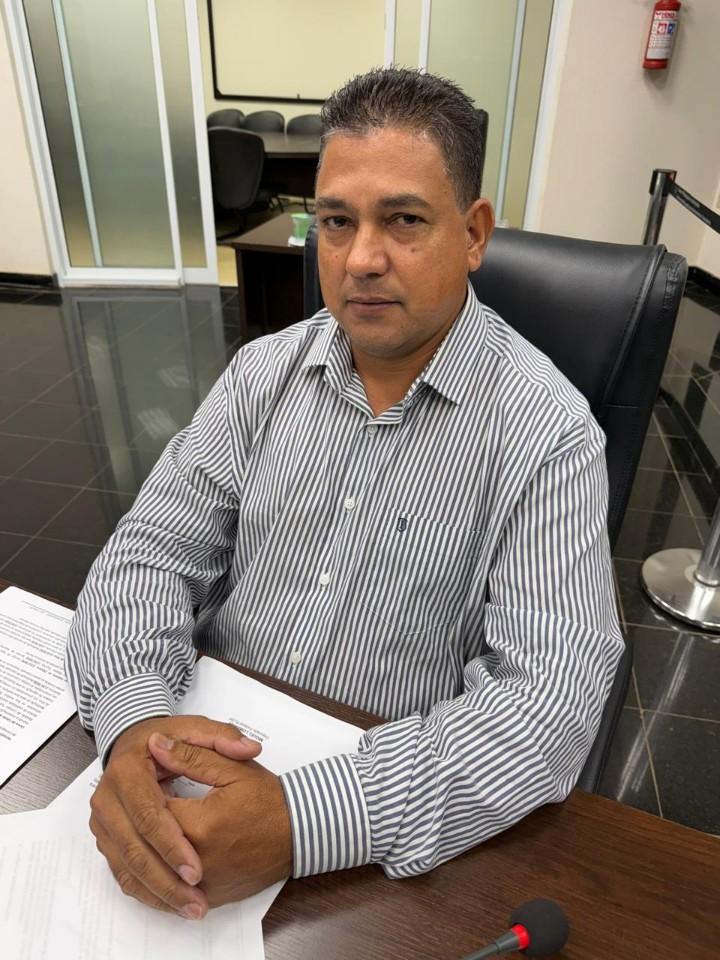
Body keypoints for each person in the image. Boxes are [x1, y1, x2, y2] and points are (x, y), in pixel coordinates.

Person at [66, 67, 623, 922]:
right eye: (335, 222)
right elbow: (148, 556)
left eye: (404, 220)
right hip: (192, 757)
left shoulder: (548, 436)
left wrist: (303, 821)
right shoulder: (263, 374)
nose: (361, 259)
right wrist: (135, 722)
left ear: (474, 233)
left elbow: (547, 704)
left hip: (373, 834)